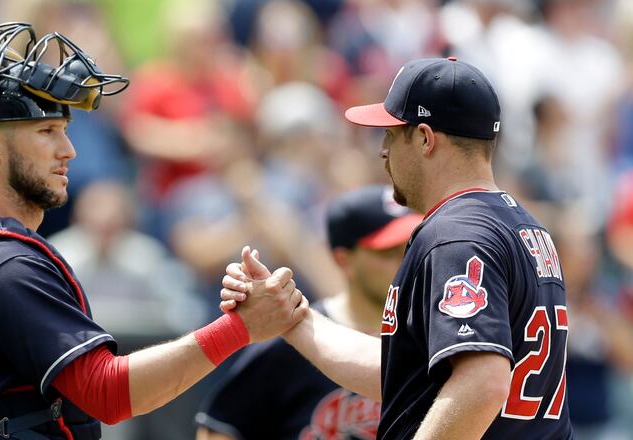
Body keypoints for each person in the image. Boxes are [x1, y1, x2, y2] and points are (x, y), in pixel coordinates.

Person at [0, 23, 307, 440]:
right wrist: (240, 328)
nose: (68, 150)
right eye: (46, 131)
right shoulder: (2, 267)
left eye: (64, 130)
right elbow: (107, 391)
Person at [221, 57, 575, 439]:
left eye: (392, 134)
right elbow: (408, 375)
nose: (383, 151)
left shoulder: (455, 233)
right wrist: (292, 318)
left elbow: (483, 384)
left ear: (425, 138)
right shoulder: (518, 222)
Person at [195, 185, 422, 440]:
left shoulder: (437, 332)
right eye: (387, 252)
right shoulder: (296, 337)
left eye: (411, 245)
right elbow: (219, 429)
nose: (405, 260)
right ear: (343, 260)